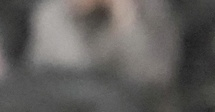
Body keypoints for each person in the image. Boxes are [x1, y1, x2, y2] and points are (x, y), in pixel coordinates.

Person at [25, 0, 181, 87]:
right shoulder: (52, 14)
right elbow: (71, 82)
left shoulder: (149, 9)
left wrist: (125, 19)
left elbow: (154, 80)